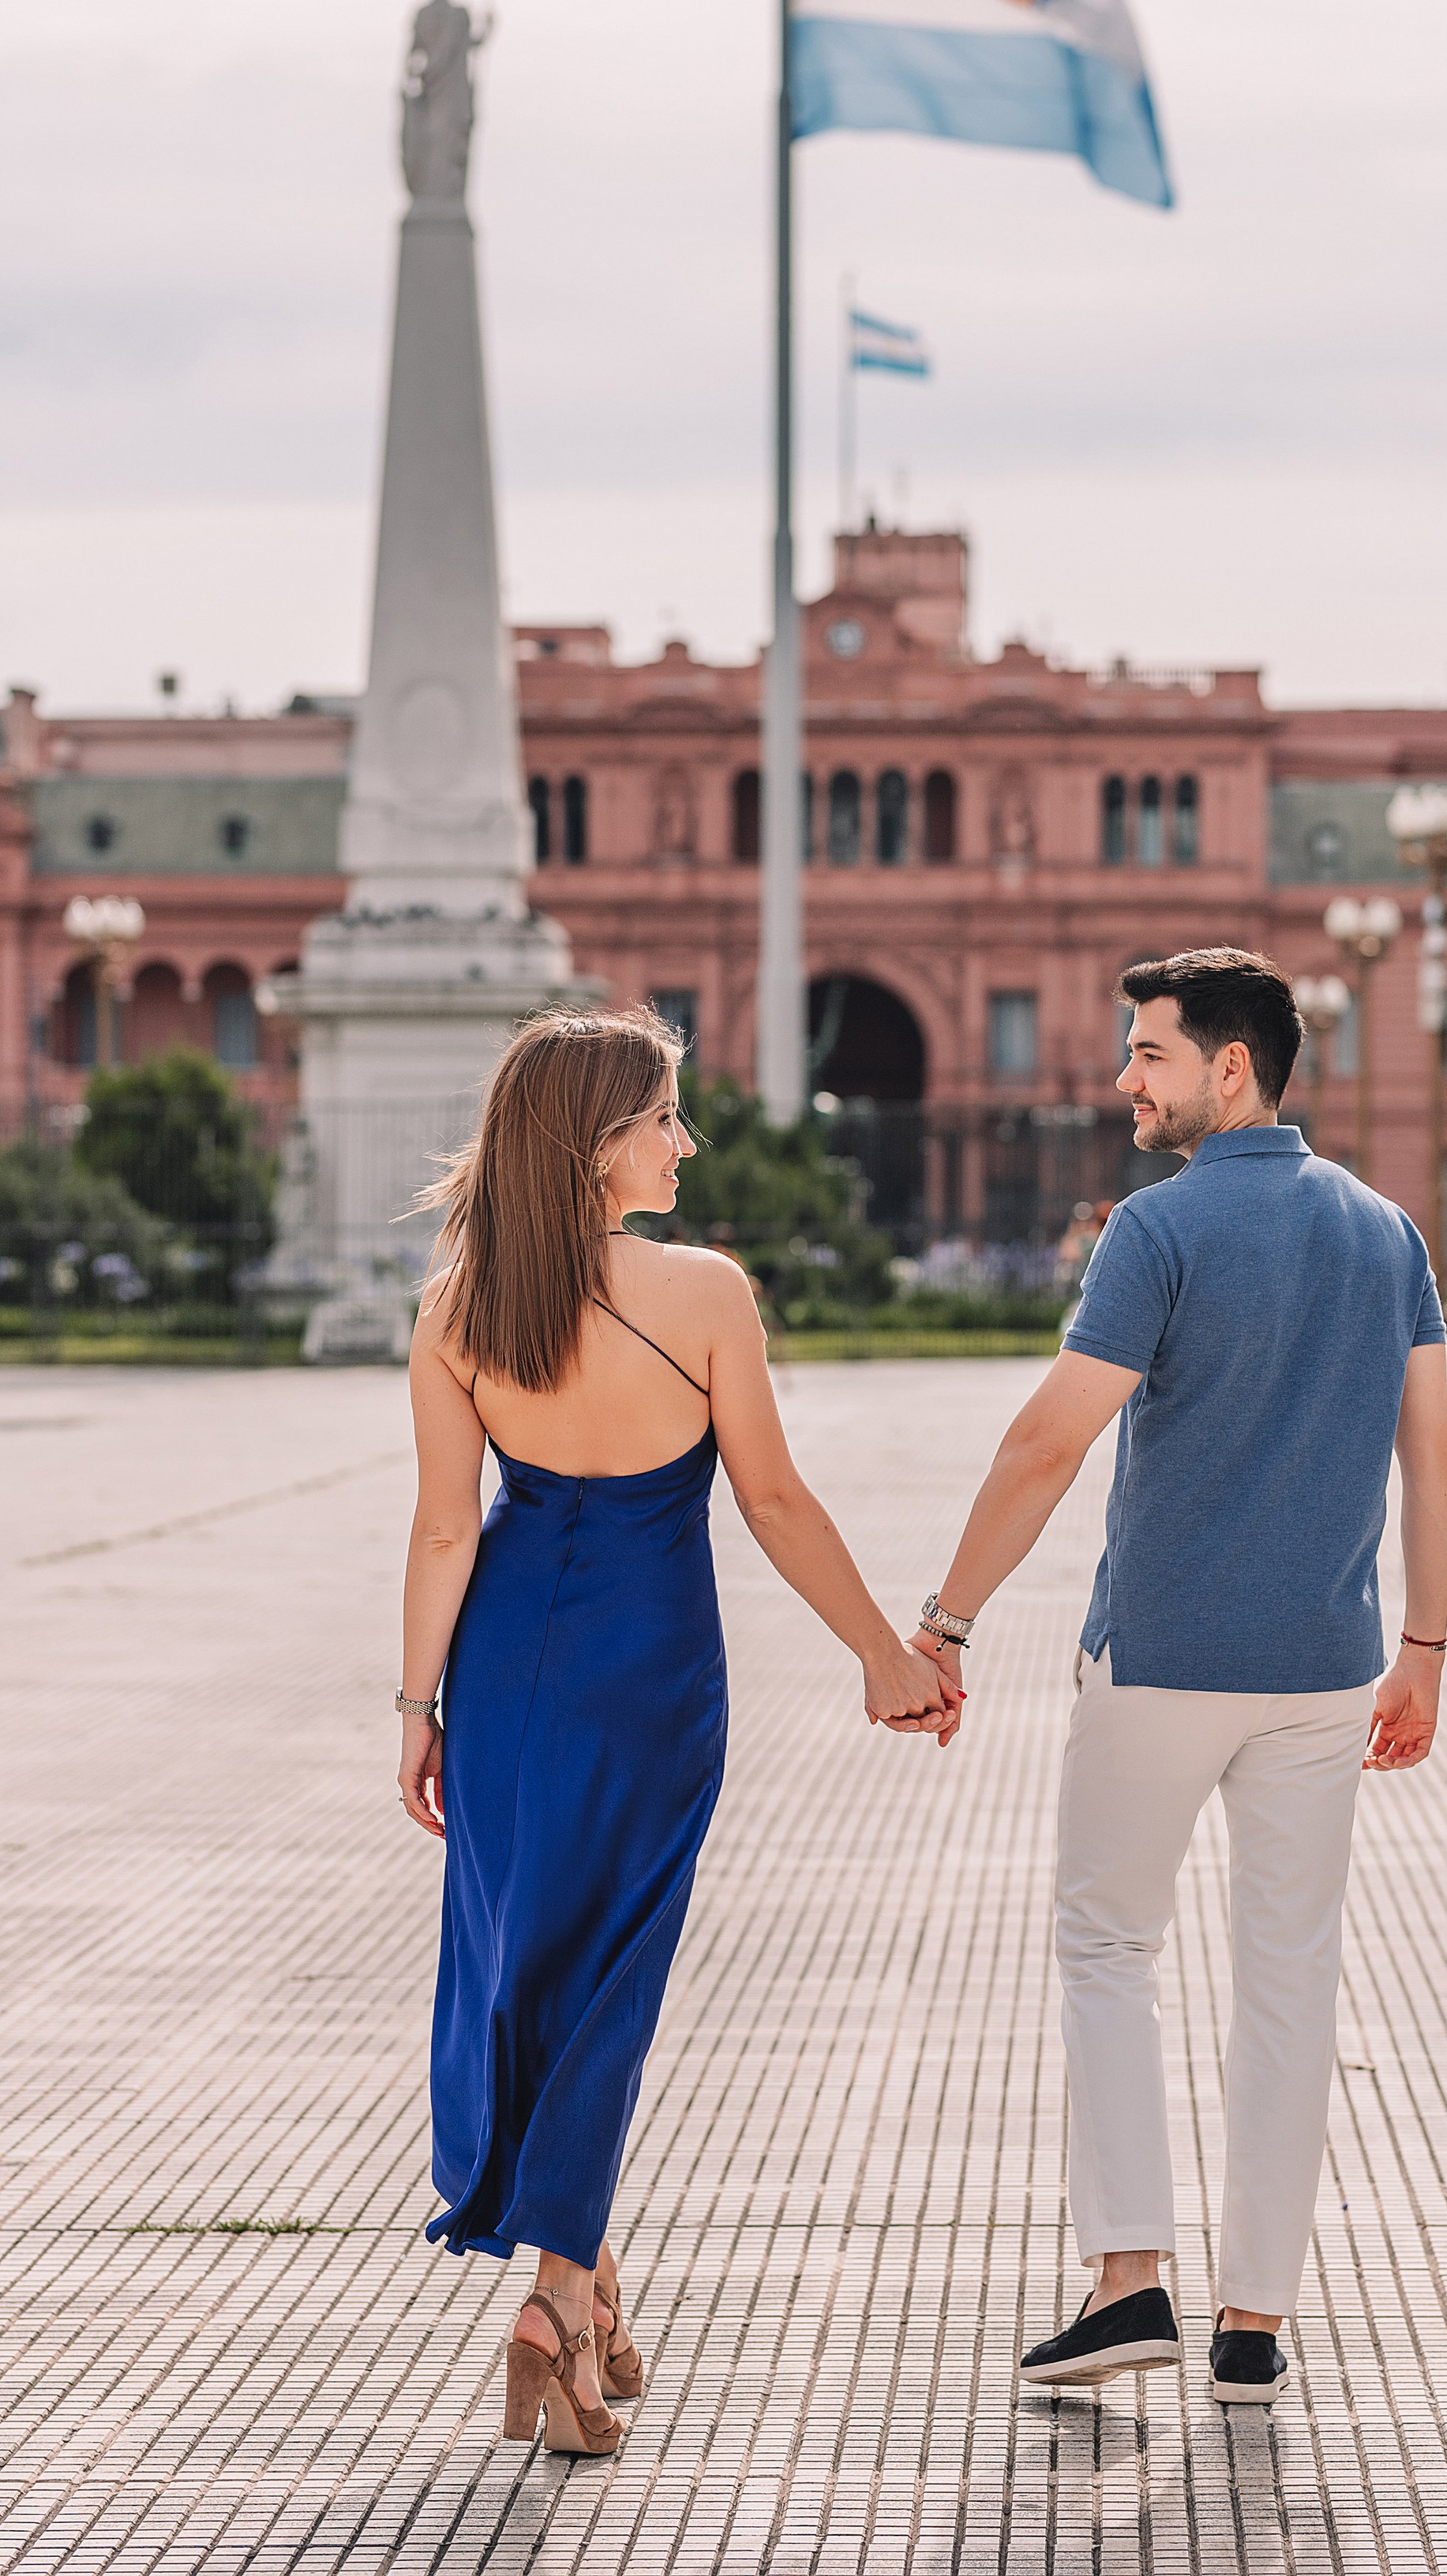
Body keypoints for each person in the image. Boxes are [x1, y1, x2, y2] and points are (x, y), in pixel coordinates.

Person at [395, 1005, 954, 2458]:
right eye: (664, 1116)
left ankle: (583, 2273)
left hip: (507, 1666)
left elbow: (448, 1524)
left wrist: (417, 1707)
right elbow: (770, 1501)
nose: (685, 1142)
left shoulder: (457, 1304)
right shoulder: (702, 1290)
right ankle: (559, 2306)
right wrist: (884, 1654)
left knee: (527, 1963)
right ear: (597, 1142)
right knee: (614, 1974)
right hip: (651, 1669)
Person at [909, 948, 1447, 2405]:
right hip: (1328, 1670)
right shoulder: (1384, 1231)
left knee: (1108, 1949)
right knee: (1291, 1975)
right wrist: (1424, 1650)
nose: (1123, 1081)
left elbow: (1048, 1441)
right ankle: (1253, 2323)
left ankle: (1128, 2281)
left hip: (1160, 1661)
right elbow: (1437, 1454)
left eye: (1148, 1053)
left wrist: (947, 1619)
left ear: (1232, 1068)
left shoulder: (1155, 1232)